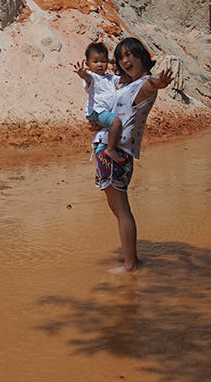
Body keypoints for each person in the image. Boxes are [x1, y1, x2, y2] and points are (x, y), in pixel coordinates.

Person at [89, 37, 173, 274]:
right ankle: (132, 261)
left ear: (141, 56)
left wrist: (160, 83)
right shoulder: (127, 85)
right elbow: (120, 115)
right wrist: (99, 127)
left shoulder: (143, 84)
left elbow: (151, 86)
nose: (125, 61)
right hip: (109, 151)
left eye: (129, 55)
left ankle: (130, 265)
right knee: (118, 209)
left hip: (118, 154)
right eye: (121, 57)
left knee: (121, 209)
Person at [72, 41, 125, 165]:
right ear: (88, 64)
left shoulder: (110, 78)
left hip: (103, 112)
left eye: (104, 61)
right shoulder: (92, 77)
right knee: (116, 122)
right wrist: (82, 74)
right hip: (97, 112)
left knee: (113, 122)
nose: (100, 65)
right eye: (95, 62)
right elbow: (88, 78)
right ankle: (111, 150)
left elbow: (125, 79)